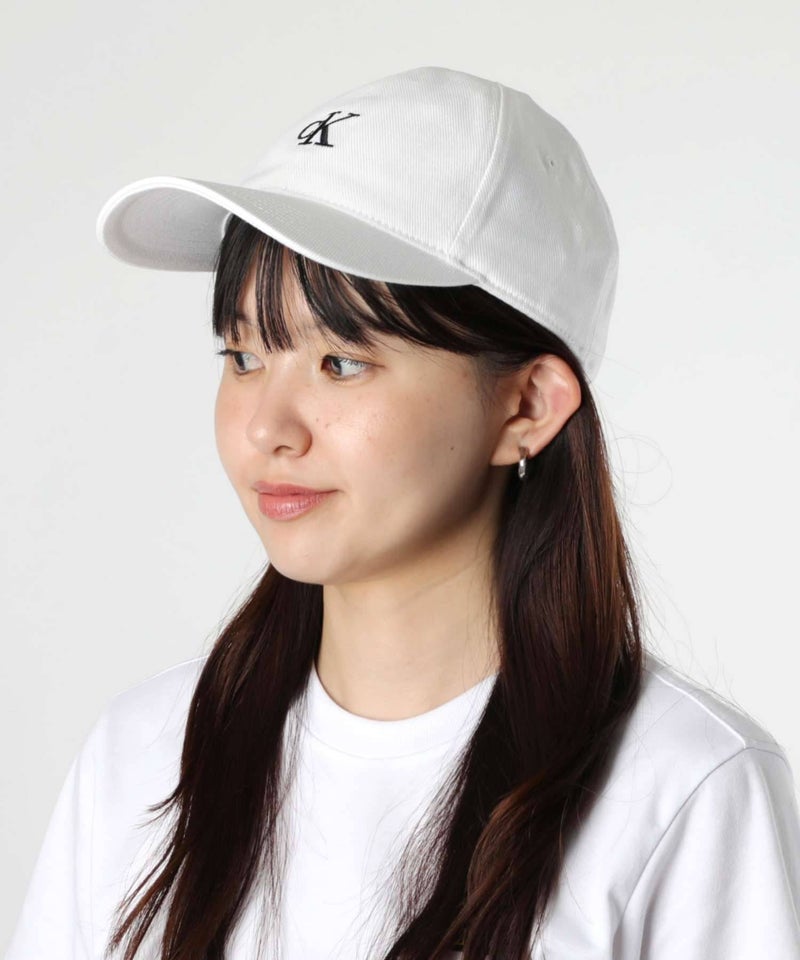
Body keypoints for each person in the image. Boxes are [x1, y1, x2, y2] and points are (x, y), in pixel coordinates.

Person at [6, 65, 800, 960]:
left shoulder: (682, 787)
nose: (266, 427)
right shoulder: (143, 757)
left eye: (342, 362)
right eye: (243, 355)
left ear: (527, 406)